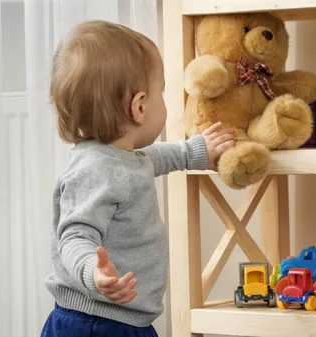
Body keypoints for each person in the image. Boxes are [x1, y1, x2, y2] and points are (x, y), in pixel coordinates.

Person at [40, 20, 235, 337]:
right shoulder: (92, 170)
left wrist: (194, 151)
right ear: (140, 106)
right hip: (96, 323)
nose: (163, 100)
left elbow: (154, 159)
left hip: (123, 318)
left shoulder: (122, 158)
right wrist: (93, 272)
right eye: (162, 91)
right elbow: (74, 237)